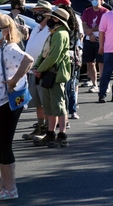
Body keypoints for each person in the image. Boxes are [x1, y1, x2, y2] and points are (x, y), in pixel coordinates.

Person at [0, 13, 34, 201]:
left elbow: (28, 60)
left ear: (7, 30)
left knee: (4, 144)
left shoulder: (10, 48)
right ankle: (3, 184)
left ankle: (11, 188)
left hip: (8, 102)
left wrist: (14, 80)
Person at [31, 8, 71, 148]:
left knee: (58, 105)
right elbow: (44, 53)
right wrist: (37, 67)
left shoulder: (61, 34)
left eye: (51, 18)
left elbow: (54, 56)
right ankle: (50, 134)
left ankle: (62, 136)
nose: (48, 20)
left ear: (57, 20)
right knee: (48, 105)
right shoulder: (53, 33)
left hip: (56, 73)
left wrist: (40, 70)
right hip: (47, 73)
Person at [20, 1, 52, 141]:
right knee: (37, 103)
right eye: (35, 11)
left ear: (46, 12)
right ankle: (40, 126)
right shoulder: (37, 28)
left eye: (39, 11)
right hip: (32, 71)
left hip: (43, 70)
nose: (36, 14)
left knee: (46, 102)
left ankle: (47, 129)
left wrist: (42, 67)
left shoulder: (51, 29)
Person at [81, 0, 108, 93]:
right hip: (89, 40)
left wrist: (91, 31)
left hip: (100, 40)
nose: (94, 0)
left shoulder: (105, 12)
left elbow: (102, 26)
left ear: (101, 0)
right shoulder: (87, 11)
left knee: (101, 63)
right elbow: (84, 25)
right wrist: (90, 34)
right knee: (90, 63)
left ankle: (104, 83)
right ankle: (94, 84)